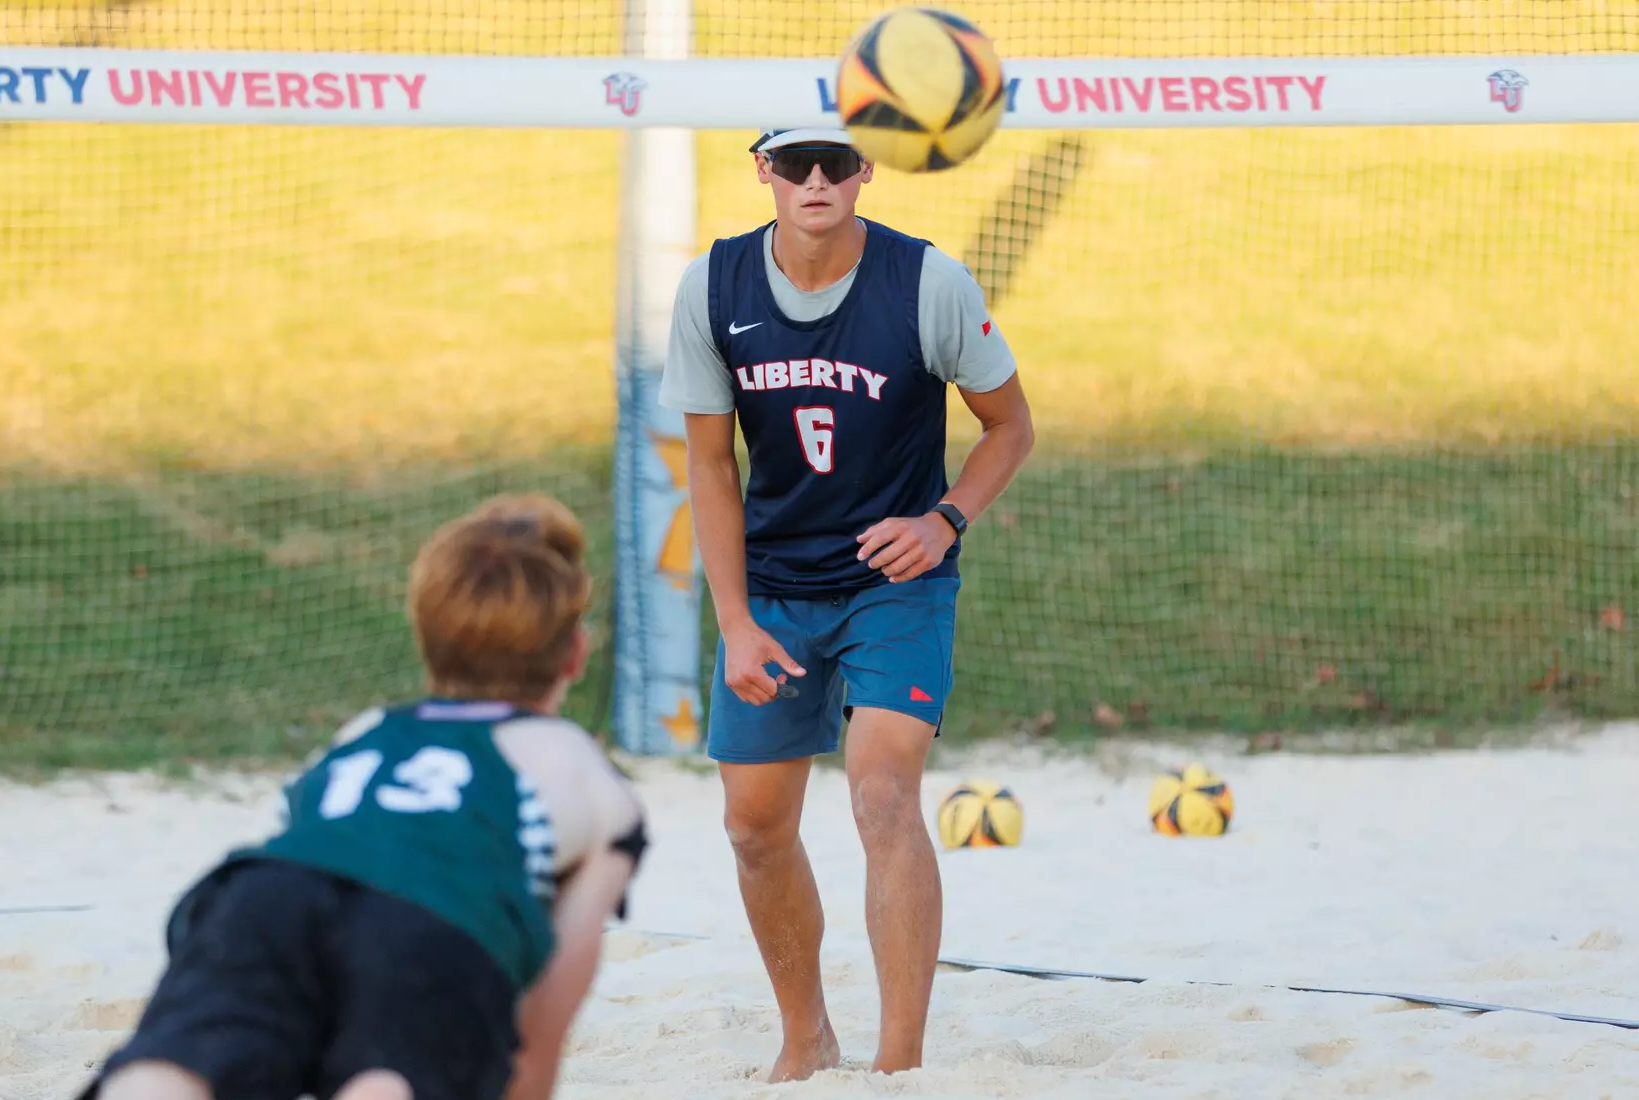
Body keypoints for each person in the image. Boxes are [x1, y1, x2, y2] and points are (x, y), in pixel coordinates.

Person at [657, 126, 1035, 1080]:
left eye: (836, 163)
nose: (815, 180)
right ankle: (806, 1035)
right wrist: (735, 623)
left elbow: (1009, 425)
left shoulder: (928, 282)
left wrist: (945, 520)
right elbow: (708, 462)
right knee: (752, 826)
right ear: (764, 175)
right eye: (794, 164)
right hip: (776, 587)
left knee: (880, 791)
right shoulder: (714, 286)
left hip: (894, 581)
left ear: (867, 173)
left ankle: (898, 1064)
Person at [75, 493, 648, 1100]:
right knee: (387, 1076)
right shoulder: (590, 778)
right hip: (434, 920)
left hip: (260, 895)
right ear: (576, 653)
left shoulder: (364, 731)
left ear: (426, 638)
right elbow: (540, 1033)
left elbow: (320, 836)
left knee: (172, 1069)